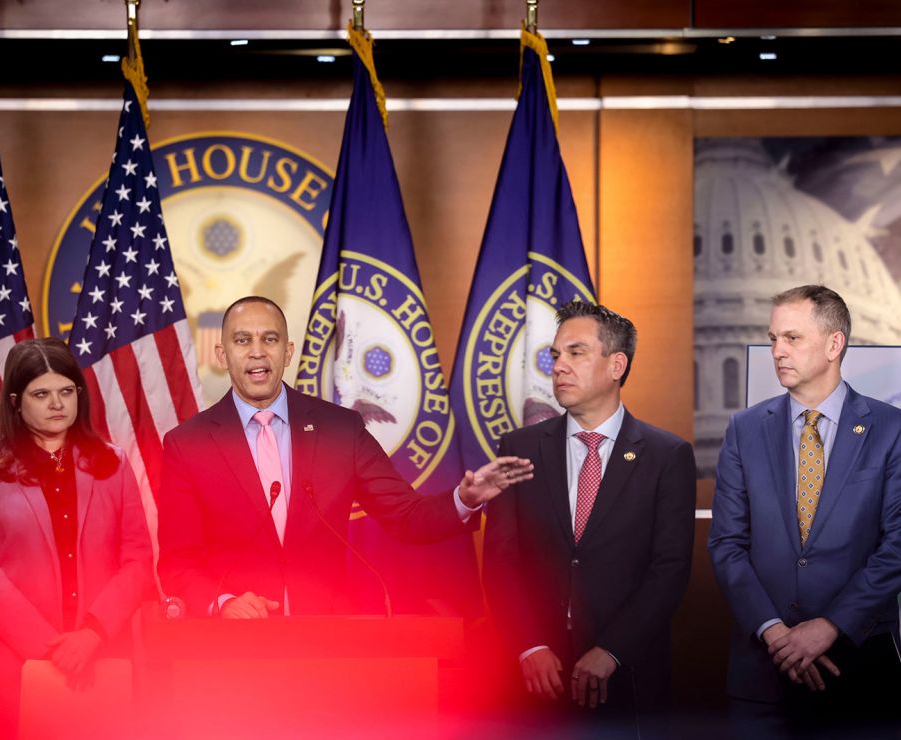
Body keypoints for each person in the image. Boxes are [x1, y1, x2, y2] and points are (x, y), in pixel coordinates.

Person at [156, 296, 533, 617]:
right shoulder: (188, 445)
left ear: (287, 352)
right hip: (234, 652)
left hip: (331, 641)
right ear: (223, 354)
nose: (257, 351)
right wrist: (223, 603)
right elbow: (177, 562)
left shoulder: (339, 430)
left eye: (270, 339)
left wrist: (463, 500)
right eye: (242, 340)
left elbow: (406, 516)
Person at [482, 301, 696, 736]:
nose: (559, 367)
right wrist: (530, 646)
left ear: (616, 364)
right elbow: (501, 560)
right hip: (535, 680)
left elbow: (669, 570)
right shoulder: (518, 447)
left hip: (627, 679)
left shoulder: (666, 455)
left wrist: (611, 651)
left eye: (576, 353)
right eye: (556, 355)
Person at [708, 285, 901, 737]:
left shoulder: (892, 430)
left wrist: (831, 626)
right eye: (774, 338)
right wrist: (776, 633)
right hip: (762, 678)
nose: (777, 351)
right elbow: (726, 545)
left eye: (792, 338)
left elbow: (898, 545)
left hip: (859, 671)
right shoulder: (744, 429)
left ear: (835, 344)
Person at [0, 338, 153, 739]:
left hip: (99, 656)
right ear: (15, 401)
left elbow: (137, 560)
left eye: (66, 391)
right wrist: (49, 647)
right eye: (41, 394)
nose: (57, 404)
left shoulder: (112, 462)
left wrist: (92, 634)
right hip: (8, 664)